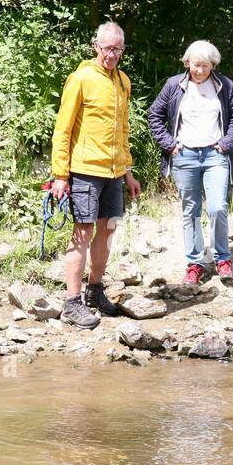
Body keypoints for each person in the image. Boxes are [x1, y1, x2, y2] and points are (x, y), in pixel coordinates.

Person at [50, 22, 141, 328]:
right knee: (82, 234)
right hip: (86, 170)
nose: (111, 54)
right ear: (96, 46)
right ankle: (71, 303)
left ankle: (95, 291)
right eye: (106, 48)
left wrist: (128, 173)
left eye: (117, 49)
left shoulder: (123, 82)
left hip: (114, 173)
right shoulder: (81, 78)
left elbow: (123, 130)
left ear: (123, 50)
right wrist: (60, 175)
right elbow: (62, 129)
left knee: (108, 230)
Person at [146, 40, 233, 284]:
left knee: (217, 207)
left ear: (213, 65)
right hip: (184, 156)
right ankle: (194, 264)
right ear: (187, 62)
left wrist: (227, 143)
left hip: (215, 155)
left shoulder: (225, 86)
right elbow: (154, 115)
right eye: (195, 64)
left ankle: (222, 259)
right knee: (191, 210)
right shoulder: (173, 85)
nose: (199, 70)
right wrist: (170, 145)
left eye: (205, 65)